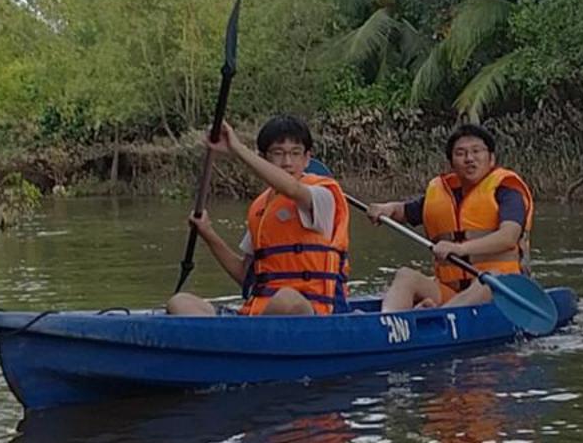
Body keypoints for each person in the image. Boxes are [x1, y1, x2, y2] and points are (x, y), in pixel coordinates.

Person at [166, 115, 350, 317]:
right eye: (278, 153)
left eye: (295, 153)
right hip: (259, 312)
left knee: (286, 300)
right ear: (264, 158)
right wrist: (208, 233)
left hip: (311, 312)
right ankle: (233, 340)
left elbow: (292, 188)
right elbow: (246, 275)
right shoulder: (261, 207)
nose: (287, 162)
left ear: (307, 159)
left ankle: (245, 339)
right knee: (180, 302)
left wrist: (237, 149)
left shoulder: (322, 195)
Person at [367, 123, 534, 312]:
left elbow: (508, 237)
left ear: (491, 158)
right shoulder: (442, 195)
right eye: (461, 153)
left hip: (501, 291)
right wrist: (387, 208)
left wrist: (459, 248)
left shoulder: (507, 191)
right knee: (406, 276)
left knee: (491, 279)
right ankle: (389, 323)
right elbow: (404, 211)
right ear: (452, 163)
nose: (469, 159)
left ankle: (436, 315)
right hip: (452, 293)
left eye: (476, 151)